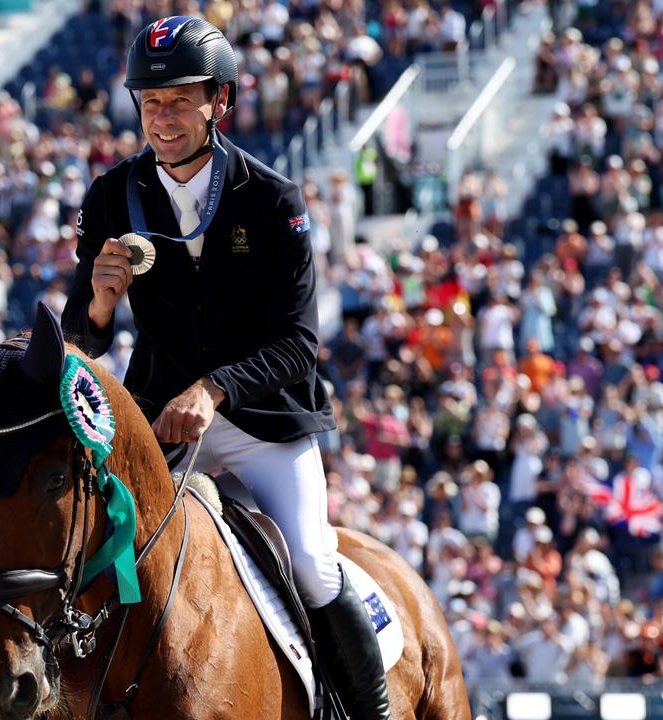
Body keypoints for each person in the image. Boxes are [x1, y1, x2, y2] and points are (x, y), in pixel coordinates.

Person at [61, 16, 388, 719]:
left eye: (181, 99)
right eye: (151, 102)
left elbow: (300, 344)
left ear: (221, 102)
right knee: (105, 561)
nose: (164, 117)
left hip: (266, 422)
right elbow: (75, 343)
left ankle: (373, 713)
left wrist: (214, 389)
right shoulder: (109, 198)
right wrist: (97, 305)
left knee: (311, 564)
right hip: (163, 427)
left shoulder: (273, 200)